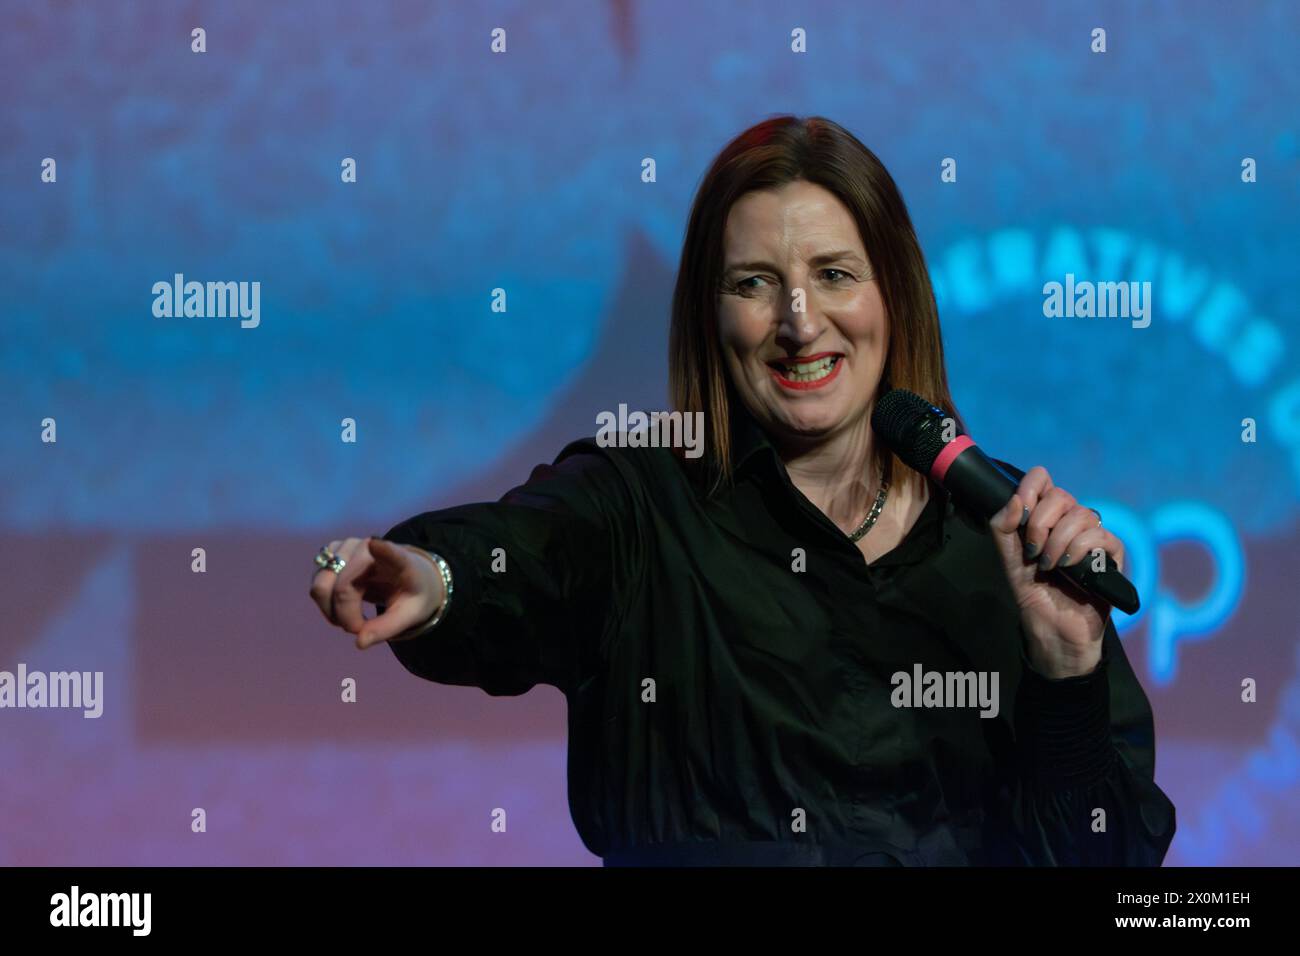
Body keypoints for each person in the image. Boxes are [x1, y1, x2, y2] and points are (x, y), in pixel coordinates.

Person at [308, 115, 1176, 866]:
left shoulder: (1004, 540)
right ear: (709, 315)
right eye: (756, 283)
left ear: (896, 298)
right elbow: (524, 558)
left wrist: (1067, 671)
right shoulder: (639, 503)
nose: (801, 322)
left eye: (835, 274)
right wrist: (434, 579)